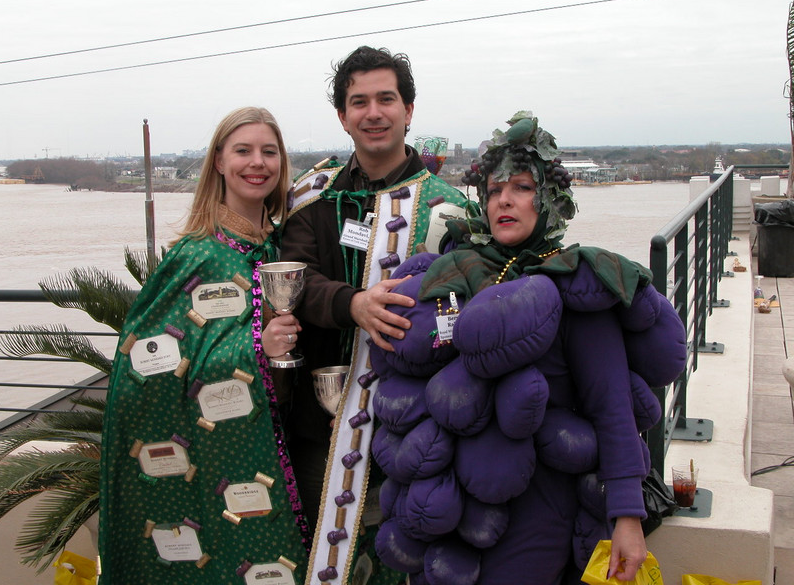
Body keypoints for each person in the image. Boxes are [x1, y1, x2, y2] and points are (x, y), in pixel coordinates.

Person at [367, 111, 687, 584]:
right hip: (460, 508)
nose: (504, 200)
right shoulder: (459, 270)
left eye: (521, 187)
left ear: (550, 200)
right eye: (494, 189)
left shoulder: (574, 283)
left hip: (540, 504)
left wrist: (627, 515)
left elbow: (612, 405)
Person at [280, 46, 475, 583]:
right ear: (342, 117)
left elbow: (464, 310)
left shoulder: (449, 208)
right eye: (359, 102)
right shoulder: (312, 198)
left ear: (408, 110)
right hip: (320, 428)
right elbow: (293, 279)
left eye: (386, 99)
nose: (373, 113)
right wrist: (353, 304)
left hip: (414, 428)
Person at [99, 107, 311, 584]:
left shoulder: (288, 247)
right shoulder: (194, 254)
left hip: (300, 444)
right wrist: (255, 348)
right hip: (233, 458)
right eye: (243, 151)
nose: (257, 163)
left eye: (269, 152)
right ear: (218, 161)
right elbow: (143, 373)